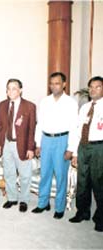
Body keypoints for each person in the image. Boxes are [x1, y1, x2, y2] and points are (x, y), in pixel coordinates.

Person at [32, 72, 78, 219]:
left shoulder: (71, 102)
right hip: (46, 139)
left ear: (64, 84)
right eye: (51, 83)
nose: (53, 86)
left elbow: (74, 127)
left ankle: (59, 207)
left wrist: (71, 148)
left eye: (57, 83)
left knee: (60, 175)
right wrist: (38, 144)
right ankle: (42, 203)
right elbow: (40, 124)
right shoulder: (45, 101)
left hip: (62, 140)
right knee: (44, 173)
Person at [69, 76, 103, 232]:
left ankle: (100, 218)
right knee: (82, 183)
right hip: (83, 147)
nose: (93, 90)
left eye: (97, 87)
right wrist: (75, 153)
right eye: (91, 87)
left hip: (99, 148)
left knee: (99, 183)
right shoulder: (84, 108)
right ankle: (82, 212)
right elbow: (77, 131)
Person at [0, 79, 36, 212]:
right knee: (8, 173)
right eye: (8, 88)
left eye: (14, 88)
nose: (11, 91)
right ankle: (12, 198)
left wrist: (31, 148)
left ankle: (24, 200)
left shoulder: (29, 106)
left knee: (25, 175)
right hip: (7, 144)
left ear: (20, 90)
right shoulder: (2, 105)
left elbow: (32, 129)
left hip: (22, 144)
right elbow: (1, 127)